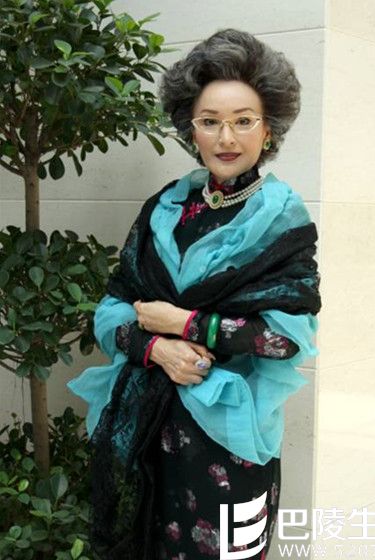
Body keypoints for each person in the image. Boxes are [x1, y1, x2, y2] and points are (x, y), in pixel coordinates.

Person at [67, 28, 321, 560]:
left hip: (231, 443)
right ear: (191, 129)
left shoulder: (283, 220)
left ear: (268, 129)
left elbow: (284, 339)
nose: (226, 137)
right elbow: (113, 307)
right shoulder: (166, 207)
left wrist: (183, 324)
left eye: (243, 120)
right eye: (210, 122)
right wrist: (156, 348)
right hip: (150, 434)